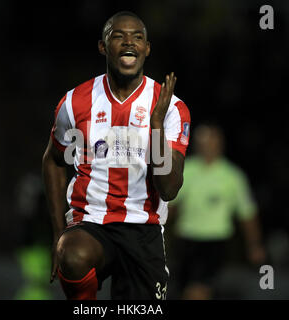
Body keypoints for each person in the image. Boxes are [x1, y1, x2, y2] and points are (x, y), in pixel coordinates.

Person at [42, 11, 191, 300]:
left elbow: (169, 189)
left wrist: (157, 126)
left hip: (144, 228)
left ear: (147, 49)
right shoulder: (75, 102)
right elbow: (53, 159)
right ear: (103, 46)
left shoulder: (170, 107)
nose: (128, 43)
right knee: (72, 254)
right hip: (92, 221)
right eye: (118, 36)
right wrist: (58, 233)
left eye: (137, 37)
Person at [169, 123, 266, 300]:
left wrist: (255, 245)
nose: (207, 146)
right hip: (186, 240)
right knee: (185, 289)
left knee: (199, 290)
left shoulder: (232, 176)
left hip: (216, 242)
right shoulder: (186, 170)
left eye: (212, 141)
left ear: (220, 144)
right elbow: (170, 208)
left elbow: (247, 214)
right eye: (203, 142)